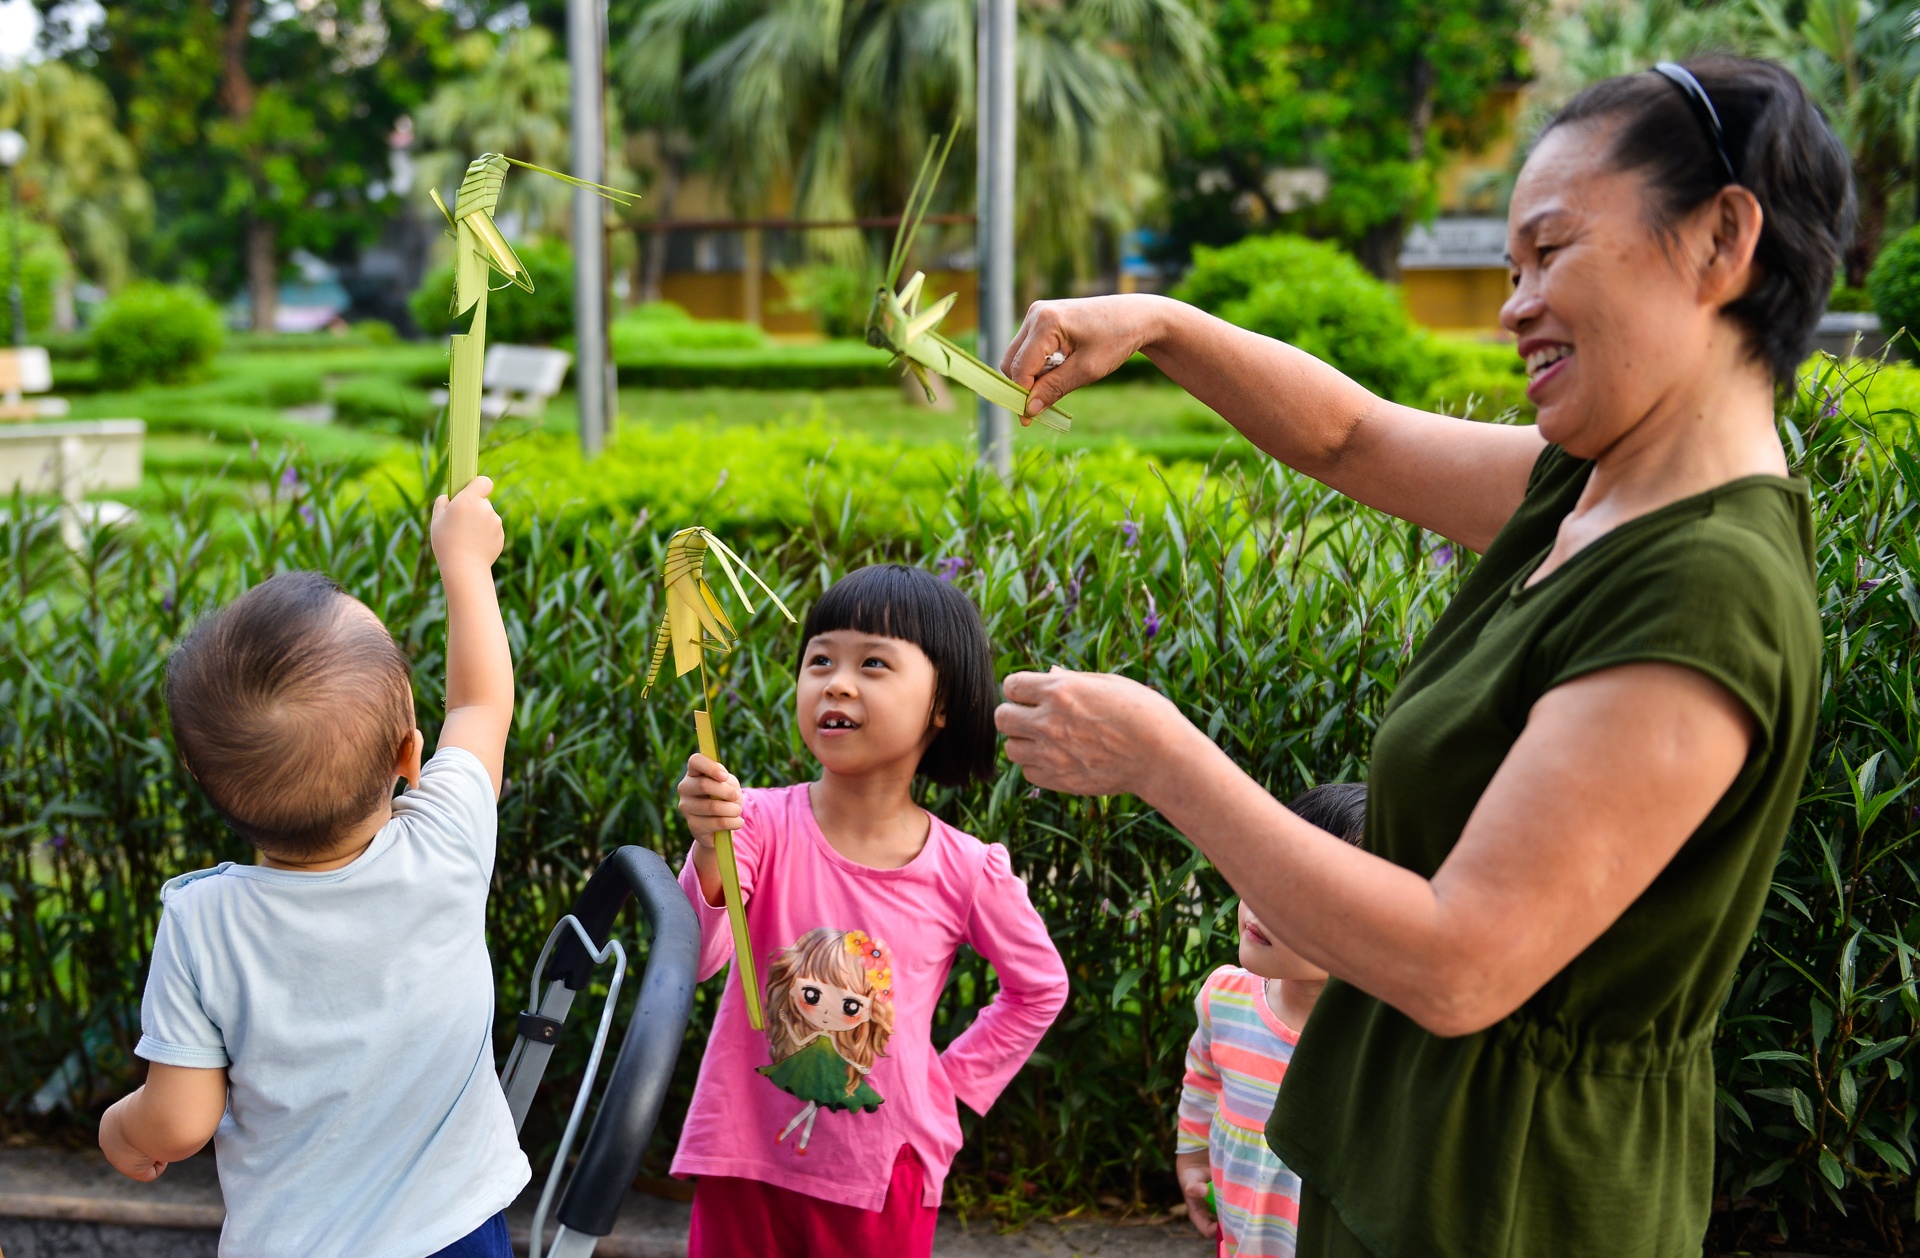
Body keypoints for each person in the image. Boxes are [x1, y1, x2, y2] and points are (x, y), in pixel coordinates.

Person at [993, 57, 1850, 1257]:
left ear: (1721, 239)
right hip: (1416, 1163)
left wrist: (1161, 758)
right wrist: (1160, 328)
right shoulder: (1596, 487)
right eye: (1511, 270)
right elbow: (1352, 435)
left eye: (1551, 254)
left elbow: (1461, 962)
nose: (1513, 305)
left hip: (1510, 1199)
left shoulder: (1704, 587)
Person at [98, 478, 527, 1258]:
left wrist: (123, 1130)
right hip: (455, 1233)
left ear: (200, 779)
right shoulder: (447, 842)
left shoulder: (203, 923)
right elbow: (480, 707)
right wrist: (465, 563)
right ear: (409, 756)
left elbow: (181, 1120)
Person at [672, 563, 1070, 1258]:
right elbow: (699, 958)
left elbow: (1039, 988)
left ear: (942, 704)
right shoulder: (754, 822)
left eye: (874, 663)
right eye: (819, 659)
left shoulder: (967, 869)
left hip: (881, 1177)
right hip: (742, 1160)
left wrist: (947, 1083)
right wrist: (710, 848)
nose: (837, 681)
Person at [1178, 784, 1368, 1258]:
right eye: (1265, 873)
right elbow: (1203, 1078)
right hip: (1240, 1236)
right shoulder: (1225, 998)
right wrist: (1193, 1157)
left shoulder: (1376, 1041)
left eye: (1302, 897)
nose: (1263, 904)